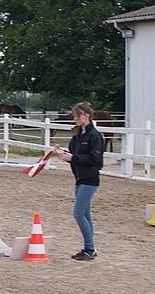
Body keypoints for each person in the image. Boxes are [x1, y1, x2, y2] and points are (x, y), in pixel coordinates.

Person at [54, 101, 105, 261]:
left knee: (78, 213)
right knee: (85, 214)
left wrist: (73, 158)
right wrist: (65, 154)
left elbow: (96, 161)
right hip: (79, 178)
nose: (74, 118)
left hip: (89, 179)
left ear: (86, 116)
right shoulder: (77, 135)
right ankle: (90, 248)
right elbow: (75, 155)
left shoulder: (95, 136)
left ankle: (89, 248)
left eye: (77, 116)